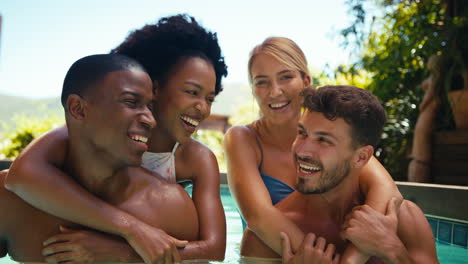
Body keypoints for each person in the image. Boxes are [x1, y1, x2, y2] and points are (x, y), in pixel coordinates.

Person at [5, 14, 227, 262]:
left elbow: (213, 248)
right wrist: (131, 228)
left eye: (210, 98)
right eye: (191, 92)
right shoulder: (87, 130)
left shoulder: (192, 163)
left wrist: (125, 251)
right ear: (154, 87)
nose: (202, 108)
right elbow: (20, 175)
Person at [223, 37, 402, 263]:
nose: (275, 91)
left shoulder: (335, 133)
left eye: (285, 77)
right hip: (272, 254)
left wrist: (352, 257)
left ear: (305, 80)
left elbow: (386, 189)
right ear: (253, 90)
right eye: (262, 82)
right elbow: (259, 217)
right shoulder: (243, 138)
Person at [276, 85, 439, 263]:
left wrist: (392, 249)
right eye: (302, 133)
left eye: (323, 140)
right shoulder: (277, 231)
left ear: (361, 157)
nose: (302, 151)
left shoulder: (405, 220)